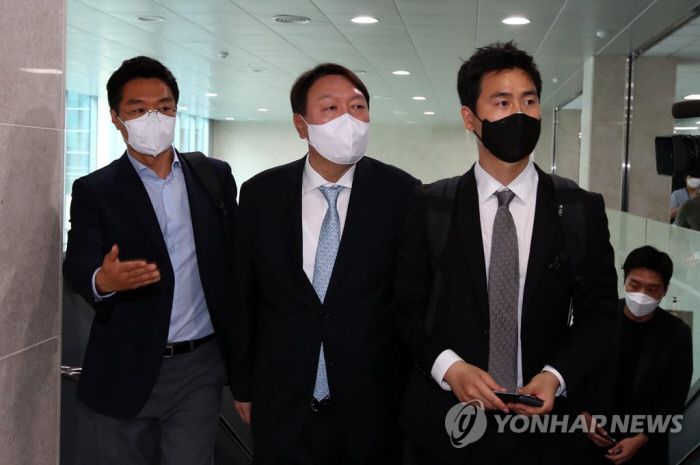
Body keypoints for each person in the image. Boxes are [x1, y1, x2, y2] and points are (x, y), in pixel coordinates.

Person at [395, 41, 619, 465]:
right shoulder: (431, 205)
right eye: (502, 102)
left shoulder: (579, 208)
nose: (520, 114)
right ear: (470, 118)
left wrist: (555, 376)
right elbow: (407, 307)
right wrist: (449, 368)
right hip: (447, 426)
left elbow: (601, 313)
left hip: (544, 431)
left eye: (529, 101)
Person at [231, 63, 420, 464]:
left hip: (372, 405)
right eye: (331, 108)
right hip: (283, 402)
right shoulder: (261, 194)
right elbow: (244, 297)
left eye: (358, 107)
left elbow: (411, 300)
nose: (348, 119)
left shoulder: (402, 194)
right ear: (301, 125)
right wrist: (243, 385)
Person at [63, 56, 238, 465]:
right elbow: (79, 263)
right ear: (115, 117)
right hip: (125, 363)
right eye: (138, 110)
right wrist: (103, 280)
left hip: (199, 365)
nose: (153, 119)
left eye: (163, 107)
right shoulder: (96, 189)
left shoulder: (213, 176)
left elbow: (236, 256)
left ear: (177, 110)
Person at [578, 246, 693, 465]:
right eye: (635, 284)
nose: (642, 294)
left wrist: (641, 438)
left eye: (652, 288)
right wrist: (582, 415)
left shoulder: (677, 334)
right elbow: (575, 375)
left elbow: (673, 398)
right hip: (589, 441)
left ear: (665, 291)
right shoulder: (599, 320)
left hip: (645, 448)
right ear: (624, 281)